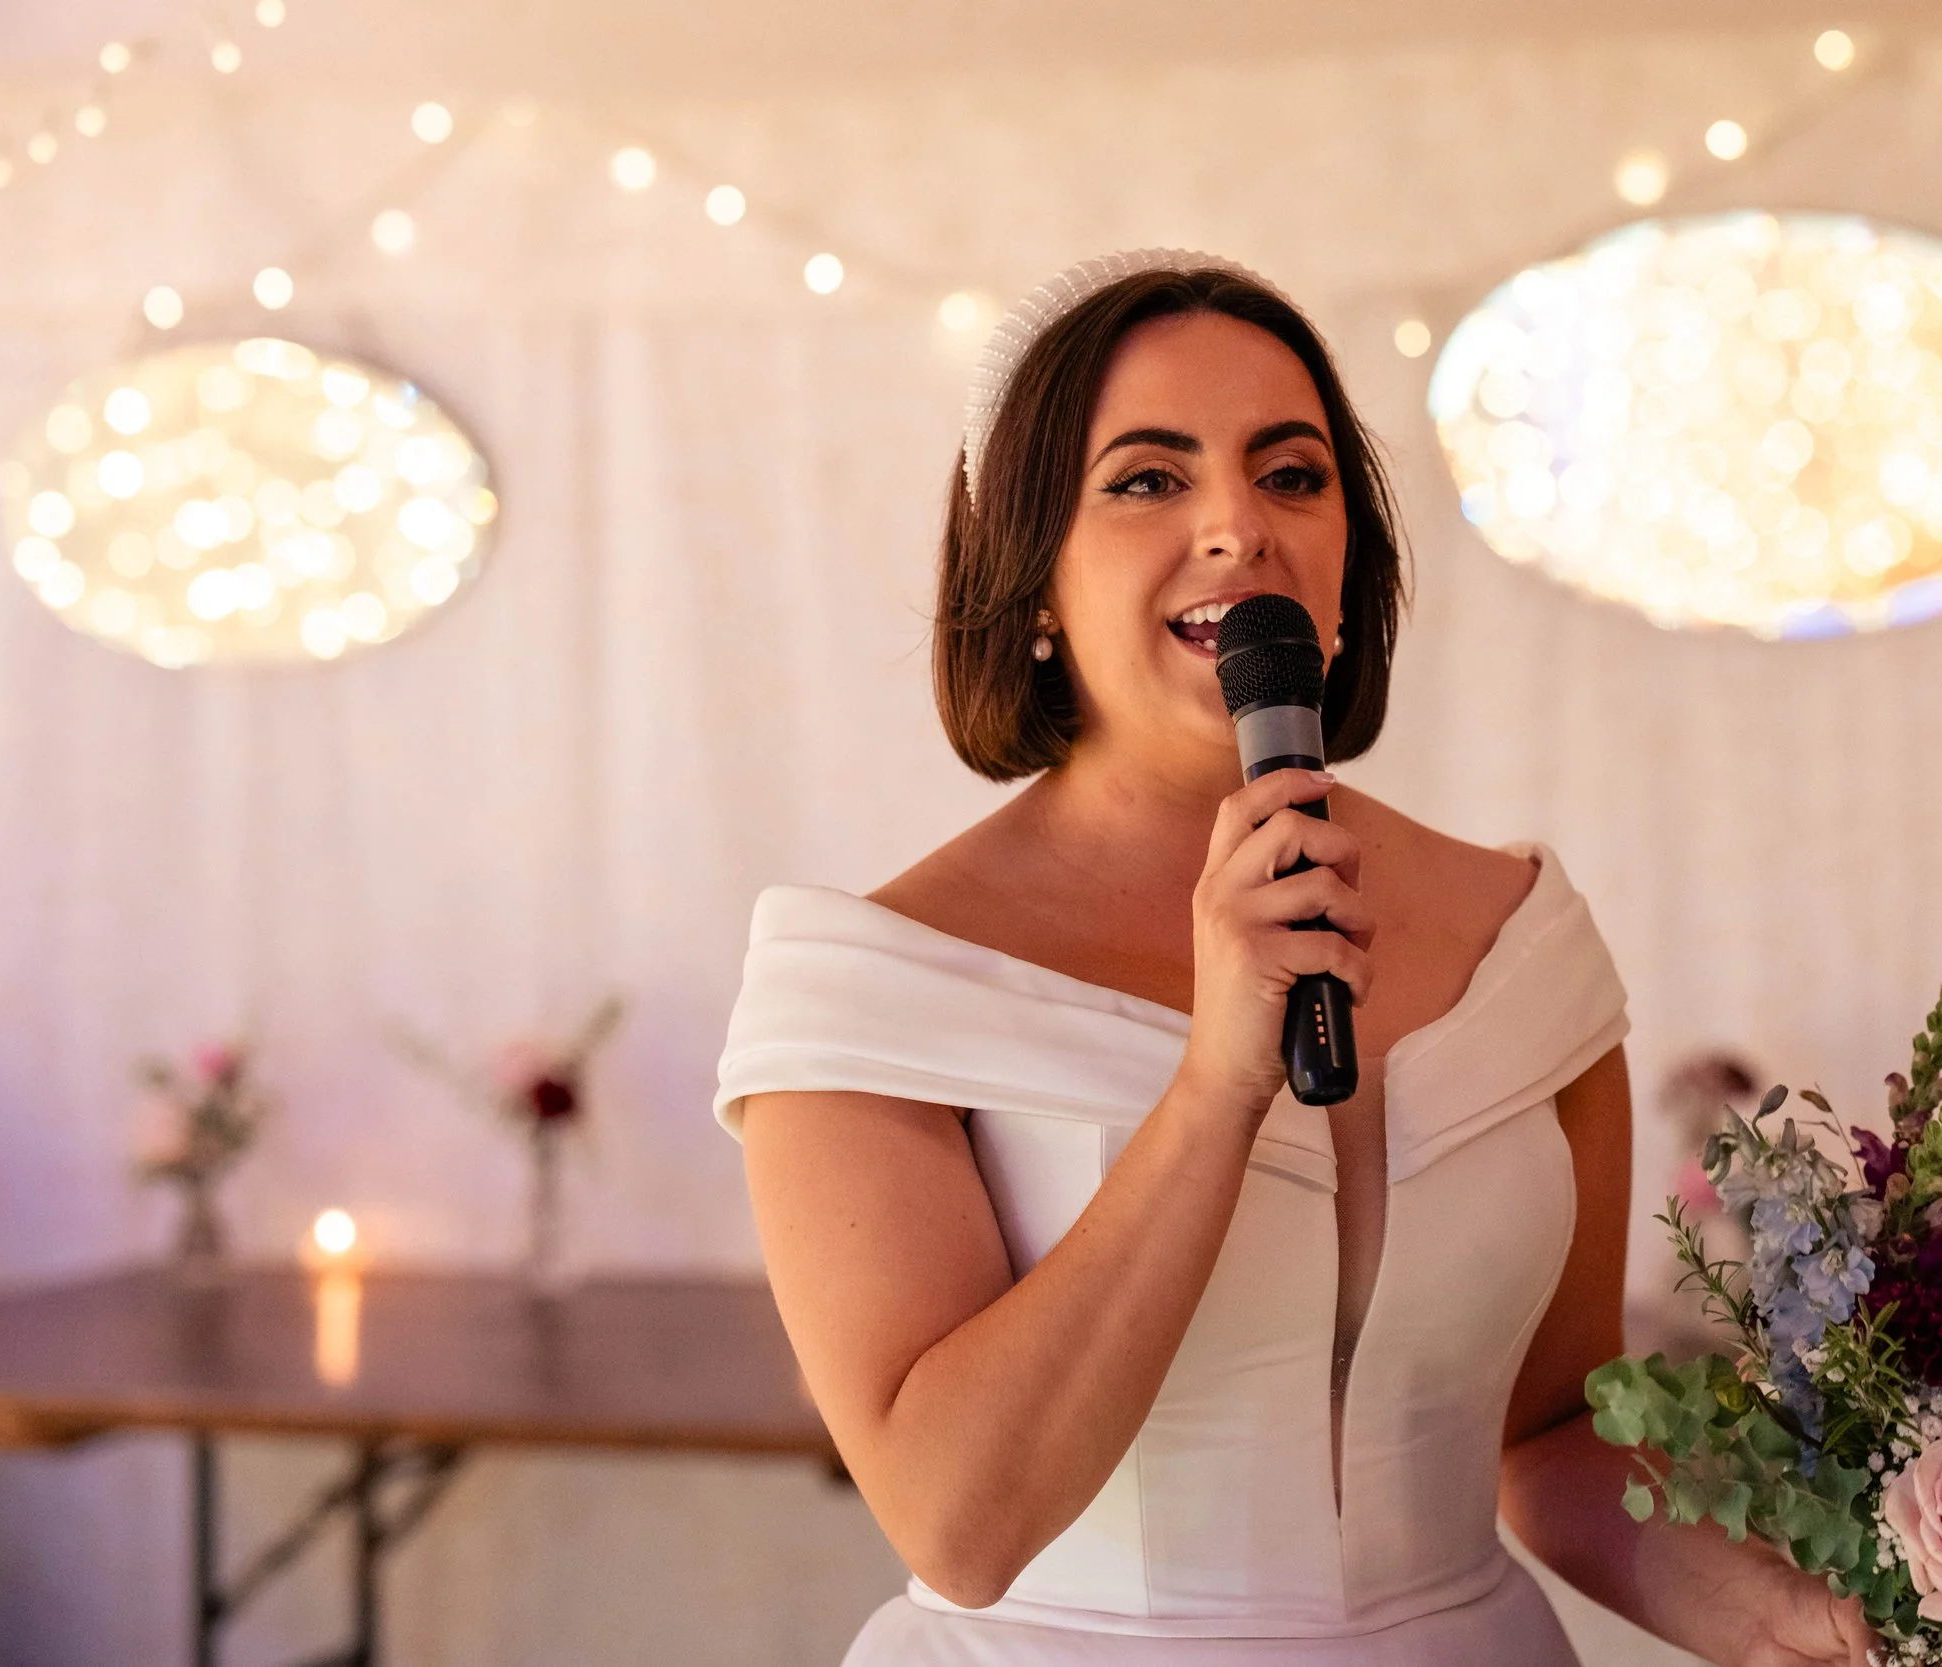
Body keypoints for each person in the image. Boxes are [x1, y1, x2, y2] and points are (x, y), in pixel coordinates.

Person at [717, 251, 1875, 1666]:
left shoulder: (1525, 938)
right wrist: (1215, 1082)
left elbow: (1559, 1434)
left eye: (1293, 474)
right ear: (1029, 577)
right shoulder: (871, 984)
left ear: (1349, 565)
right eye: (1148, 479)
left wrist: (1826, 1621)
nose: (1236, 527)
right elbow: (960, 1523)